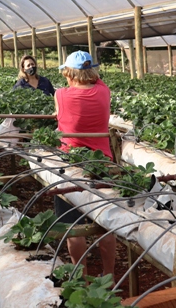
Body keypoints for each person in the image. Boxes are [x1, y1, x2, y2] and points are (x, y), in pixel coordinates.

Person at [54, 50, 116, 278]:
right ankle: (109, 276)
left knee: (74, 227)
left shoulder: (61, 95)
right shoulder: (103, 91)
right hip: (102, 163)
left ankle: (80, 278)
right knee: (106, 221)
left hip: (72, 165)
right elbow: (97, 81)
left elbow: (59, 117)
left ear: (68, 73)